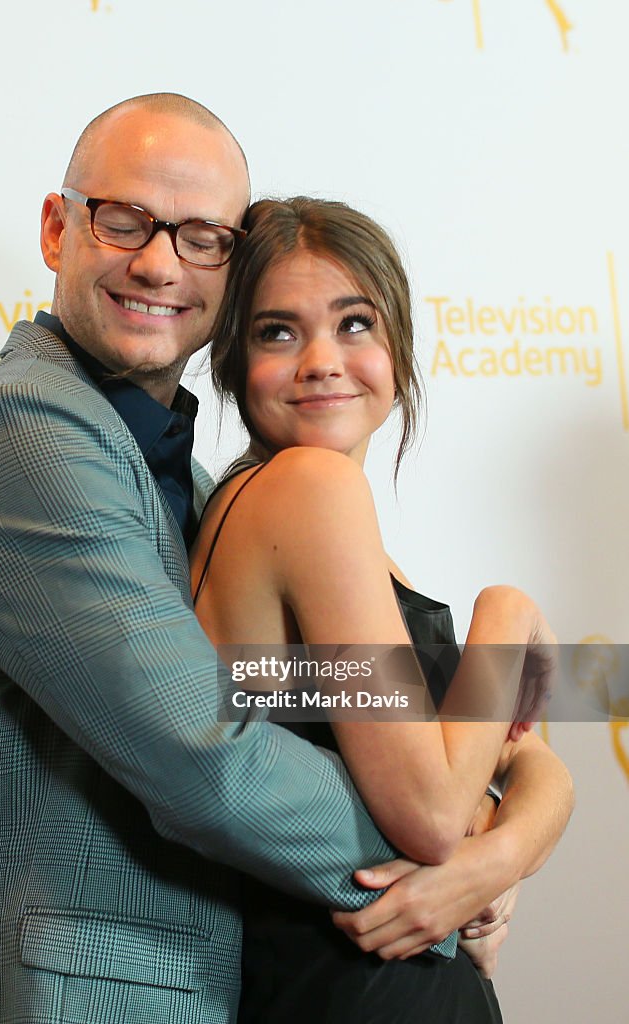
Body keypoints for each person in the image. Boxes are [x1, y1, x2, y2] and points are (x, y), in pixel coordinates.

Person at [0, 94, 571, 1024]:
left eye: (202, 235)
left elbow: (509, 741)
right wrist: (459, 855)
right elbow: (207, 756)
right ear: (58, 229)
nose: (160, 262)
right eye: (124, 219)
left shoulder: (207, 492)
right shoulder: (26, 435)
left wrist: (507, 835)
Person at [192, 195, 574, 1022]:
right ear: (230, 364)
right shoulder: (304, 490)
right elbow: (434, 814)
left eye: (354, 323)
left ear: (397, 348)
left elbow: (532, 767)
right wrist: (505, 619)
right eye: (277, 331)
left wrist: (495, 858)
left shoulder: (321, 524)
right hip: (350, 990)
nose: (321, 360)